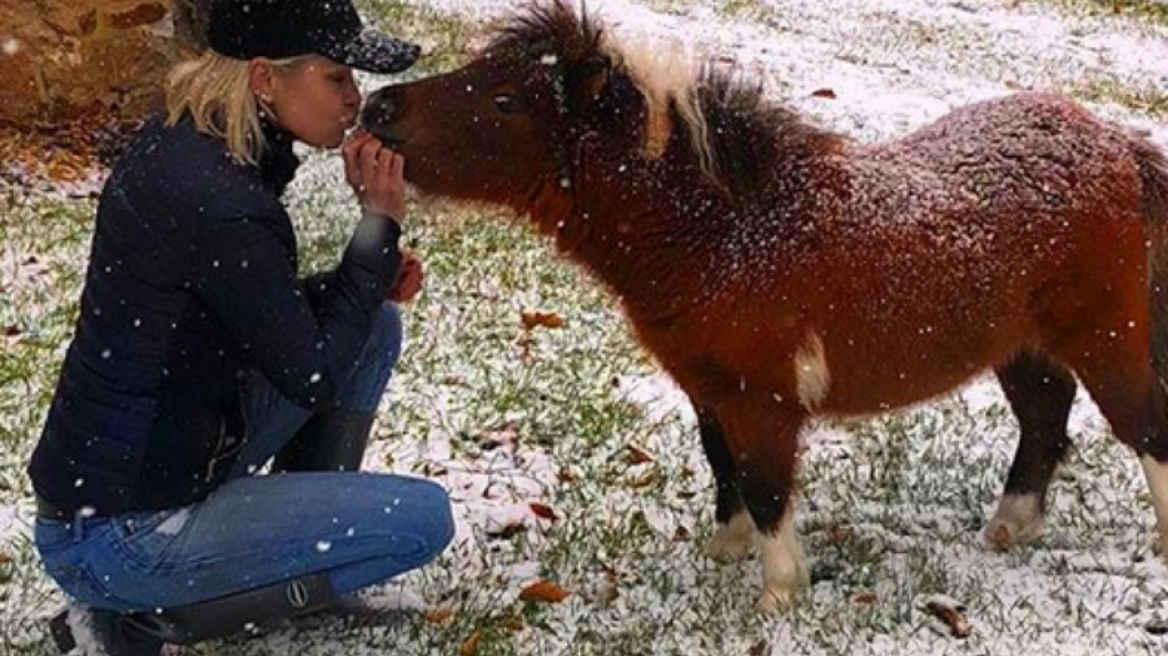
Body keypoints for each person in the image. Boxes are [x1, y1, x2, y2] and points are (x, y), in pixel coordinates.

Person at [26, 0, 455, 653]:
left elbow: (235, 310)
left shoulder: (188, 147)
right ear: (264, 79)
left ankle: (281, 557)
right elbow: (310, 374)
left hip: (133, 483)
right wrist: (377, 227)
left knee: (371, 328)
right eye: (336, 77)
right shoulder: (222, 202)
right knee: (423, 522)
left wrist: (360, 285)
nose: (354, 99)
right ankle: (131, 622)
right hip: (123, 535)